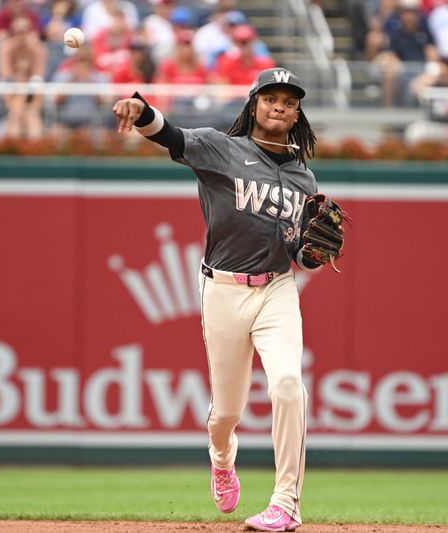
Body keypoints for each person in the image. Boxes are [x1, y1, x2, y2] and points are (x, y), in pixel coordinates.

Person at [112, 67, 326, 532]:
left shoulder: (304, 180)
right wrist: (140, 108)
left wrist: (313, 255)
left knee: (288, 384)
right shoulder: (221, 148)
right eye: (271, 98)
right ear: (254, 105)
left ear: (296, 115)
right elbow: (168, 134)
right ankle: (221, 458)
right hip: (223, 290)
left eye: (289, 102)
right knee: (226, 413)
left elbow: (303, 258)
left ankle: (286, 502)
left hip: (276, 288)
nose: (279, 107)